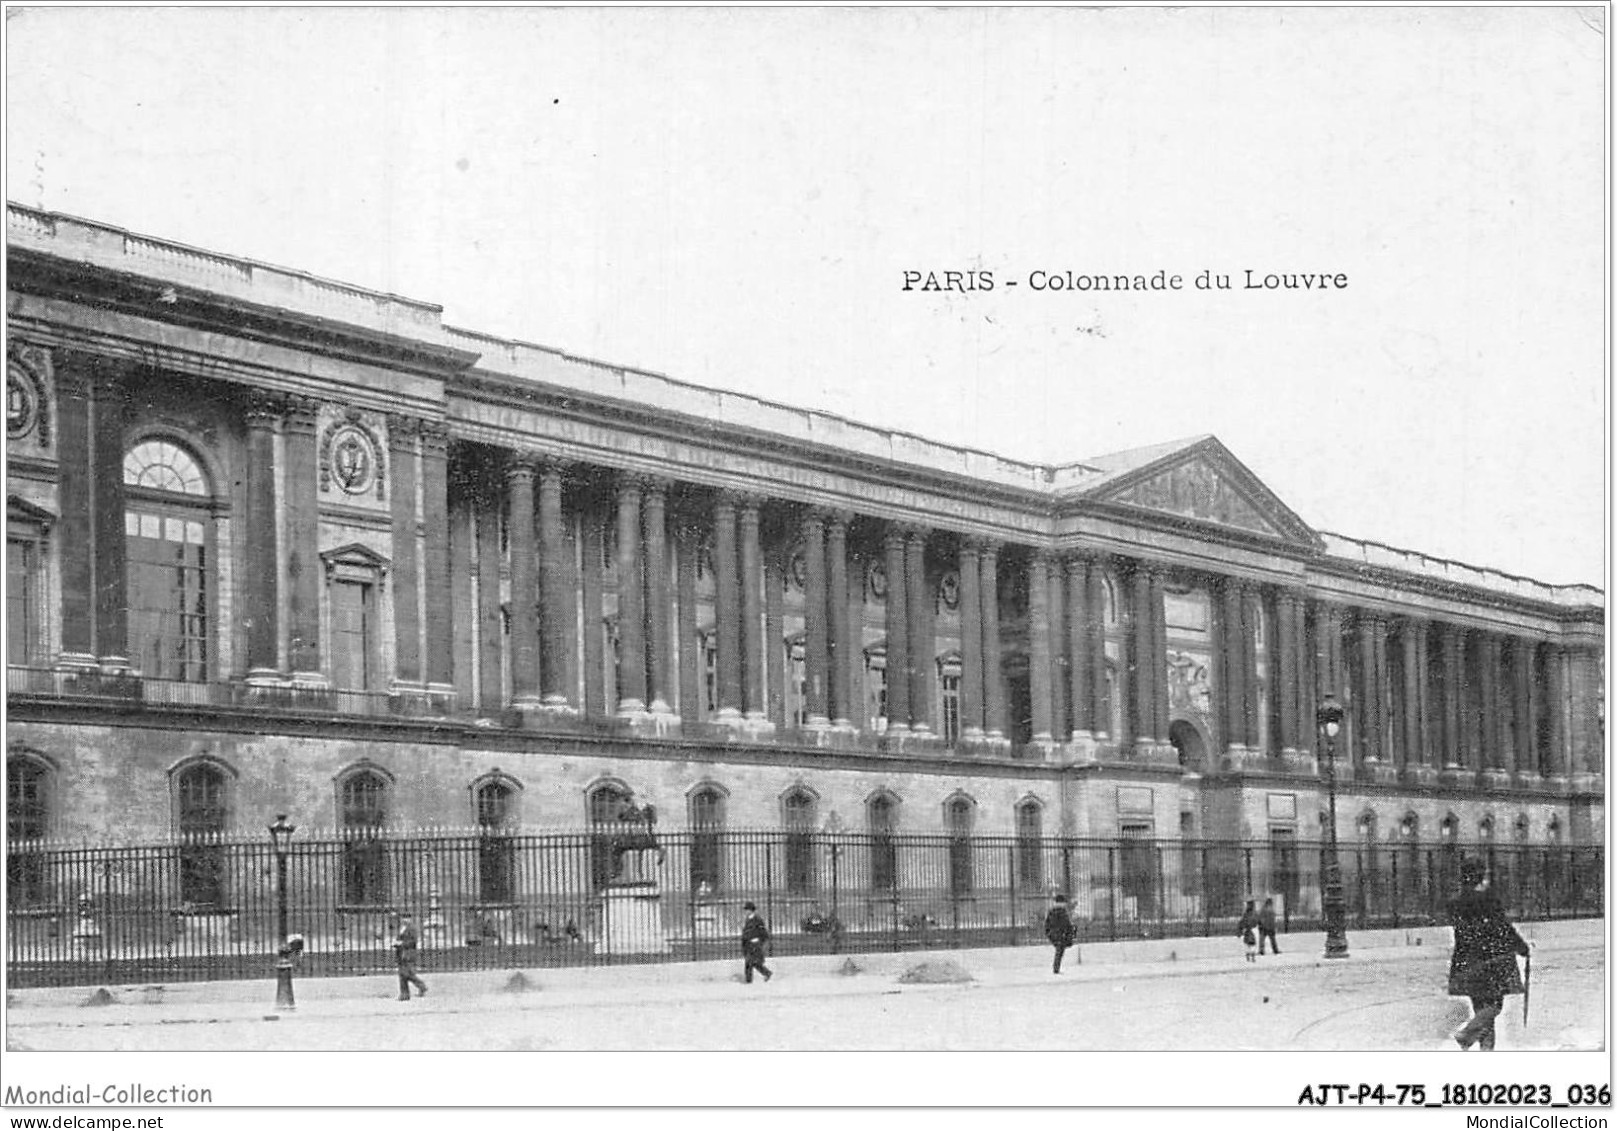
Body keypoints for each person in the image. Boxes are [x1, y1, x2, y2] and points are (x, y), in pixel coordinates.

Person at [1448, 859, 1529, 1050]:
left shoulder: (1456, 902)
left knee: (1480, 1007)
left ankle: (1486, 1051)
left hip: (1467, 959)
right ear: (1480, 876)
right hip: (1492, 958)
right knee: (1494, 1006)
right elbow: (1502, 927)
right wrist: (1521, 946)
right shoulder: (1489, 900)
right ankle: (1468, 1034)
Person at [394, 912, 429, 1001]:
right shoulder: (402, 928)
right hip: (401, 953)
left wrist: (401, 943)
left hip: (408, 953)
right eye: (403, 918)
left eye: (406, 918)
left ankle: (421, 986)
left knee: (407, 974)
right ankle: (404, 994)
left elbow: (413, 942)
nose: (404, 920)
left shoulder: (412, 928)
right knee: (402, 974)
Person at [740, 901, 772, 984]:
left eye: (747, 910)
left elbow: (763, 931)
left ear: (751, 910)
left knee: (751, 962)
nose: (746, 912)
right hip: (748, 944)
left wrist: (763, 942)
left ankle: (749, 980)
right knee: (751, 962)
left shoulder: (757, 919)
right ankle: (766, 973)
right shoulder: (748, 920)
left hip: (755, 944)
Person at [1043, 893, 1076, 974]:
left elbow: (1047, 923)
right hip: (1060, 933)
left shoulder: (1052, 910)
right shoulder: (1062, 911)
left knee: (1059, 950)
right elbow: (1066, 923)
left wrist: (1049, 933)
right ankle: (1056, 968)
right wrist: (1070, 931)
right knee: (1060, 950)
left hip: (1054, 933)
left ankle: (1056, 968)